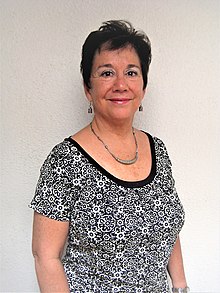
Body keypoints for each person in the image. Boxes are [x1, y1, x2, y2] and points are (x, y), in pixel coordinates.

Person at [30, 20, 189, 293]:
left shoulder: (157, 150)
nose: (120, 84)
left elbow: (169, 227)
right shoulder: (64, 161)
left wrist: (181, 286)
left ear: (143, 86)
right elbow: (46, 257)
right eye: (106, 73)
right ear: (87, 88)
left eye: (131, 72)